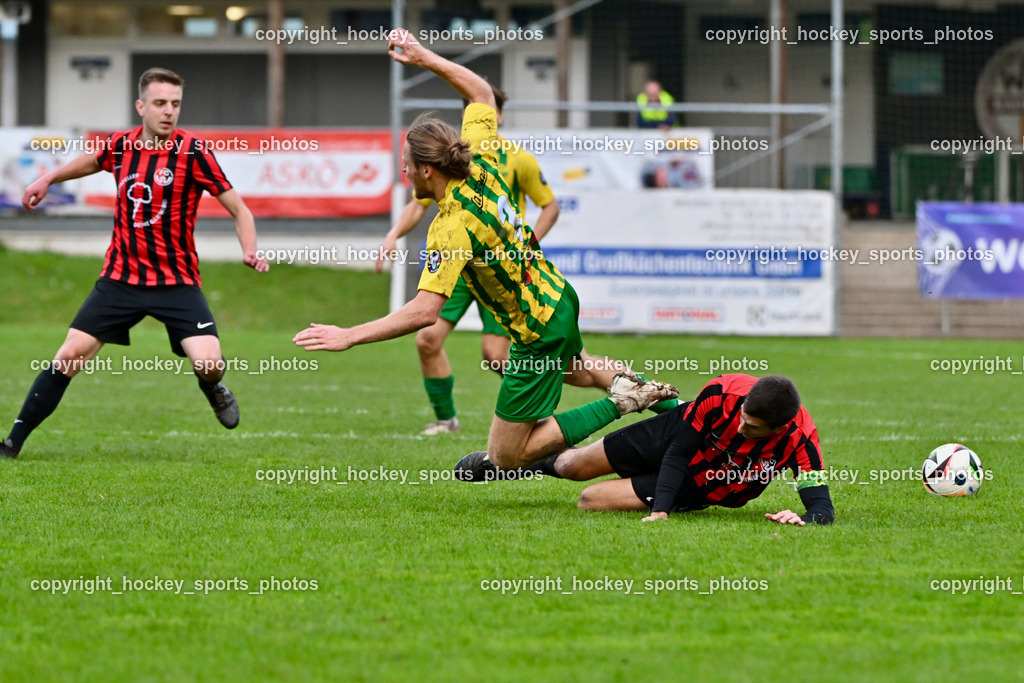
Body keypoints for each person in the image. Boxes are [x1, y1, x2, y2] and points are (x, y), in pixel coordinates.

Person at [294, 29, 678, 473]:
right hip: (557, 296)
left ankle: (623, 403)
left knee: (506, 455)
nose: (402, 170)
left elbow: (423, 312)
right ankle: (684, 413)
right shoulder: (485, 154)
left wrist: (349, 335)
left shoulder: (450, 226)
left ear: (426, 169)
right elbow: (480, 91)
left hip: (537, 328)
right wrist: (425, 57)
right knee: (582, 369)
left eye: (406, 164)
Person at [0, 67, 269, 459]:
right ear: (141, 106)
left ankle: (211, 386)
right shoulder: (122, 145)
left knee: (210, 362)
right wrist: (48, 180)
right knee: (70, 354)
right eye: (160, 103)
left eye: (175, 104)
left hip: (177, 281)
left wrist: (250, 249)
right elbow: (92, 161)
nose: (169, 111)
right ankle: (11, 444)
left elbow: (240, 209)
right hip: (121, 279)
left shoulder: (193, 152)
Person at [375, 83, 560, 435]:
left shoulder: (514, 158)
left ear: (499, 116)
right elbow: (418, 204)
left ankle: (537, 408)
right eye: (464, 110)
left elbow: (549, 206)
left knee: (494, 354)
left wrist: (527, 243)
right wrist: (392, 235)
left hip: (498, 270)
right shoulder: (454, 157)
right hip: (459, 268)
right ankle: (447, 420)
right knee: (427, 340)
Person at [497, 374, 834, 525]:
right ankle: (521, 462)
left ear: (778, 428)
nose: (741, 427)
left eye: (753, 428)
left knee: (589, 500)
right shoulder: (721, 394)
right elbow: (679, 451)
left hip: (701, 485)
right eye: (743, 417)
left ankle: (648, 397)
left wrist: (803, 518)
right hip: (674, 435)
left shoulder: (801, 439)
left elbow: (821, 505)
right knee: (572, 466)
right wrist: (661, 509)